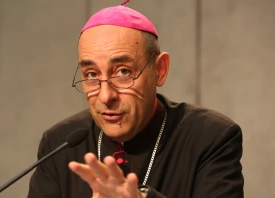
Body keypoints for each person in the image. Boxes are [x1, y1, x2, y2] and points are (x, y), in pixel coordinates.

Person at [28, 4, 244, 198]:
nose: (105, 96)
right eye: (92, 74)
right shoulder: (59, 143)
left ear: (160, 70)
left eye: (123, 71)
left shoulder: (210, 138)